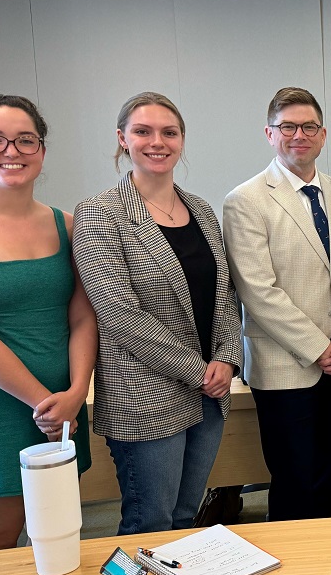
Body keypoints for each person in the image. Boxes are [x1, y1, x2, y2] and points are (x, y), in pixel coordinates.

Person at [223, 87, 331, 575]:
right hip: (287, 364)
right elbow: (257, 291)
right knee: (293, 478)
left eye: (309, 126)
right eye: (287, 126)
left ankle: (330, 567)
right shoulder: (245, 200)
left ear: (323, 135)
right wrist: (319, 347)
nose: (299, 135)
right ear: (270, 134)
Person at [73, 92, 242, 535]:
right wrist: (200, 369)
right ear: (122, 140)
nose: (157, 142)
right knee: (151, 521)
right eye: (143, 131)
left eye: (169, 132)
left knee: (187, 518)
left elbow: (224, 292)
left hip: (211, 390)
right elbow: (119, 314)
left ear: (182, 139)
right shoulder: (100, 214)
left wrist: (226, 358)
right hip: (145, 396)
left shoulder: (202, 210)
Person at [0, 95, 96, 551]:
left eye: (25, 140)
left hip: (64, 407)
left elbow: (83, 316)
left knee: (58, 535)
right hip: (0, 409)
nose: (12, 151)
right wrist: (45, 404)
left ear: (42, 152)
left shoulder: (67, 225)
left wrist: (75, 394)